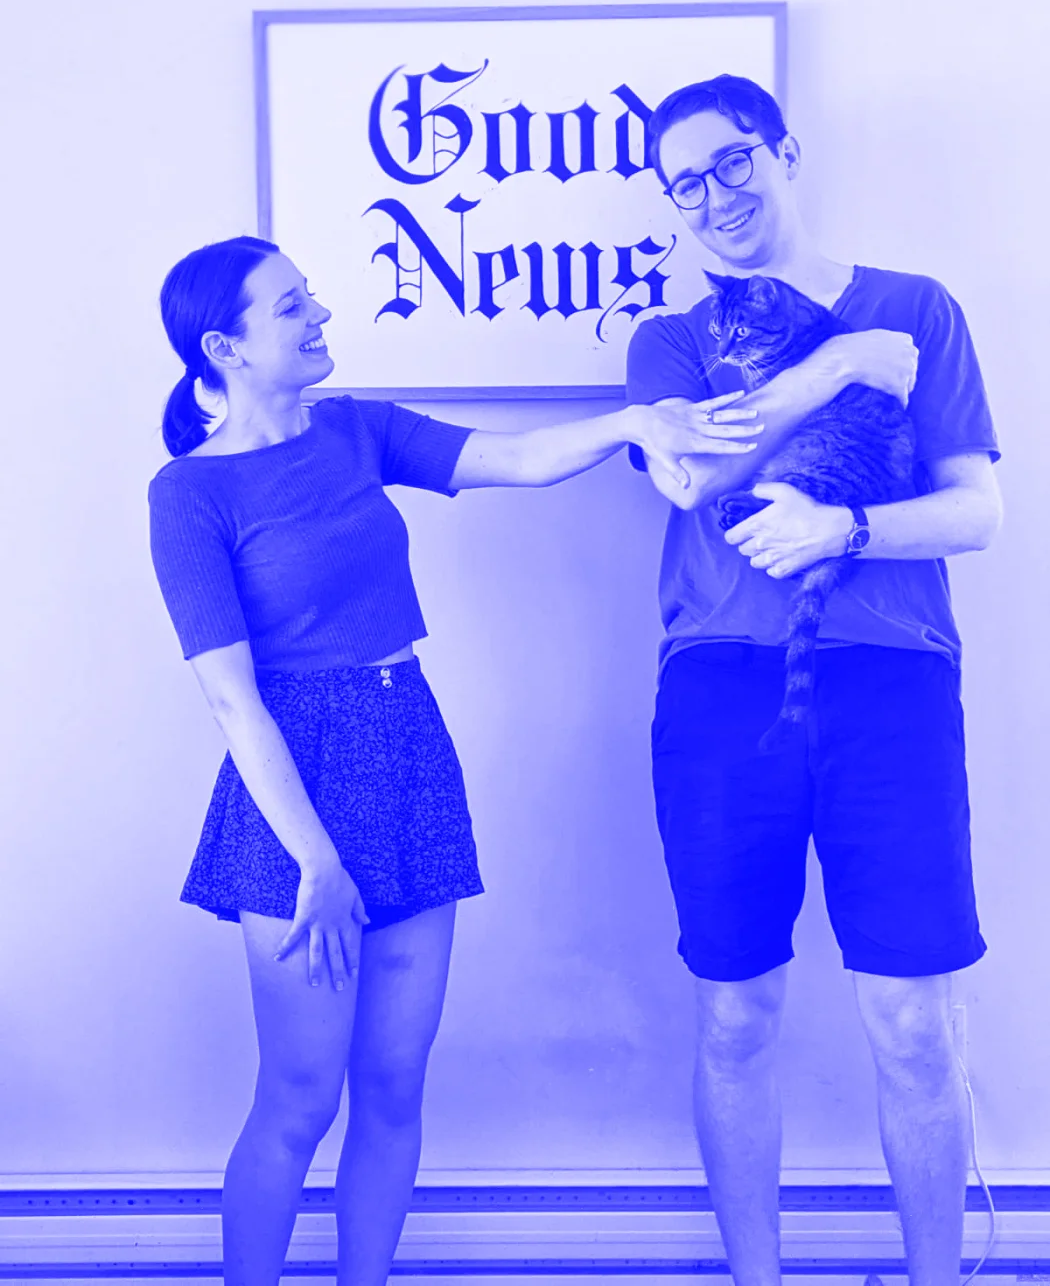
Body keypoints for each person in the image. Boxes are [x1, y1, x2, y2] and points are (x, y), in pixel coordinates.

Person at [147, 234, 771, 1286]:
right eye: (292, 306)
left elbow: (517, 460)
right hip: (293, 790)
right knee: (300, 1096)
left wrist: (633, 421)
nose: (320, 314)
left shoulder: (357, 429)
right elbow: (230, 695)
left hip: (407, 750)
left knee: (395, 1084)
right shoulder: (188, 495)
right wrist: (315, 859)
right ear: (227, 347)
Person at [625, 74, 1002, 1286]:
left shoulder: (918, 309)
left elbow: (978, 510)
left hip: (894, 680)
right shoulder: (671, 341)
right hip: (721, 686)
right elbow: (689, 474)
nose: (714, 196)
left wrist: (848, 531)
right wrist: (839, 363)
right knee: (736, 1012)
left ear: (784, 152)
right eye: (686, 183)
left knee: (913, 1021)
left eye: (732, 161)